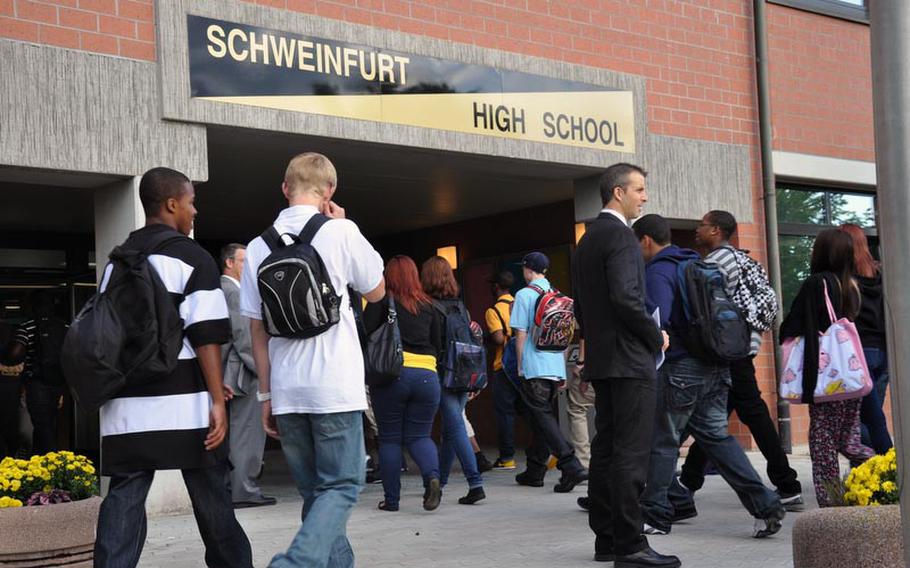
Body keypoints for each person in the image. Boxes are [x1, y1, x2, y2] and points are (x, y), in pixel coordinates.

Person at [93, 167, 252, 568]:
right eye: (191, 201)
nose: (194, 211)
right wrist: (217, 399)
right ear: (171, 204)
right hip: (186, 405)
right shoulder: (192, 257)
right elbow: (206, 335)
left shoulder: (117, 261)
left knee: (125, 498)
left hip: (125, 407)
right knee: (212, 496)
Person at [241, 152, 385, 568]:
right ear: (330, 191)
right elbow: (376, 291)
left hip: (287, 389)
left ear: (285, 188)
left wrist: (266, 395)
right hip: (334, 386)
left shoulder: (256, 247)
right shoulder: (340, 231)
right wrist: (345, 223)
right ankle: (294, 563)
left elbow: (257, 331)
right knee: (342, 487)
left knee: (317, 498)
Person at [634, 214, 784, 539]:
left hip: (681, 369)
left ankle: (655, 516)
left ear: (645, 240)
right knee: (718, 437)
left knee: (663, 440)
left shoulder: (659, 270)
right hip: (717, 365)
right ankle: (765, 505)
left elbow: (656, 319)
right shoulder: (696, 264)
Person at [572, 163, 678, 567]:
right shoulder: (621, 237)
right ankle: (631, 545)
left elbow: (583, 307)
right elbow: (625, 298)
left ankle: (608, 540)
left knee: (606, 451)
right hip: (631, 361)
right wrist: (656, 337)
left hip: (603, 360)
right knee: (631, 454)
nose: (644, 196)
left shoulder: (587, 241)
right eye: (639, 189)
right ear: (618, 192)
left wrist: (589, 353)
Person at [682, 210, 803, 511]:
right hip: (742, 348)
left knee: (751, 414)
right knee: (714, 417)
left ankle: (787, 485)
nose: (697, 230)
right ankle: (688, 481)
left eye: (703, 226)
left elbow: (704, 307)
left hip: (727, 352)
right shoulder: (744, 258)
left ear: (717, 230)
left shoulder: (717, 261)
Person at [781, 229, 874, 507]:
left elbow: (794, 325)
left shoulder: (817, 283)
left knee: (822, 444)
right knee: (849, 441)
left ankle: (831, 505)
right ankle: (886, 473)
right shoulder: (850, 285)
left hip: (826, 379)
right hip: (850, 376)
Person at [363, 255, 444, 511]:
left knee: (389, 439)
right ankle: (432, 477)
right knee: (420, 435)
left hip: (391, 376)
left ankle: (392, 500)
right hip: (427, 376)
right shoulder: (430, 306)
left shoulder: (381, 302)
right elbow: (438, 346)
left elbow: (364, 334)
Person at [510, 251, 588, 493]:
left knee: (542, 417)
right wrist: (562, 370)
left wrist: (521, 366)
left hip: (534, 367)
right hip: (555, 367)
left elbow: (520, 335)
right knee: (541, 419)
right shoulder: (560, 296)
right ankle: (535, 470)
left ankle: (570, 464)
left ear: (527, 269)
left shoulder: (524, 295)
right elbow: (566, 336)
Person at [421, 255, 487, 505]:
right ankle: (442, 480)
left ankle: (475, 482)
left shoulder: (427, 307)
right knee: (450, 428)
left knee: (455, 424)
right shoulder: (461, 306)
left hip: (442, 372)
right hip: (463, 371)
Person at [219, 243, 276, 508]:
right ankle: (244, 490)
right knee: (248, 433)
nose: (248, 268)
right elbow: (243, 338)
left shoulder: (227, 290)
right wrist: (264, 371)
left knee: (239, 433)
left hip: (234, 375)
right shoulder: (232, 292)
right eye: (244, 262)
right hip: (244, 375)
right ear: (229, 263)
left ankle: (239, 487)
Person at [839, 223, 892, 455]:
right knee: (873, 415)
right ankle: (874, 470)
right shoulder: (882, 274)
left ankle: (882, 462)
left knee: (859, 419)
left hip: (858, 352)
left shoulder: (845, 279)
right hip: (884, 352)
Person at [8, 291, 68, 455]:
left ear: (33, 307)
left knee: (42, 426)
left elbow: (14, 353)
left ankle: (51, 463)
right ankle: (41, 461)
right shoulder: (63, 327)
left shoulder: (27, 326)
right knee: (50, 424)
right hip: (57, 383)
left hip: (36, 383)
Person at [484, 270, 523, 471]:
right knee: (532, 411)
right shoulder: (520, 303)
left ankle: (507, 458)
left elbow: (499, 338)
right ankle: (547, 452)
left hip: (503, 367)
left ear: (496, 286)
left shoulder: (494, 310)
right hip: (524, 365)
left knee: (505, 413)